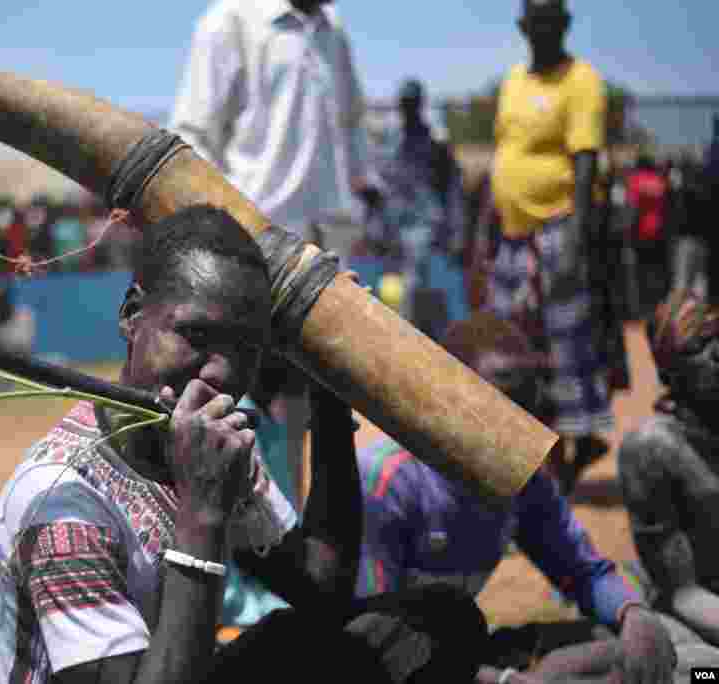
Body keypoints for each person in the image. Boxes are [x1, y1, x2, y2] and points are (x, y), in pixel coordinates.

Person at [0, 204, 488, 684]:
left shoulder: (205, 443)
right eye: (196, 335)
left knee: (434, 622)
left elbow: (322, 587)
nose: (222, 371)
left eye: (245, 348)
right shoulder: (62, 506)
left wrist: (330, 394)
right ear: (133, 314)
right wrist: (203, 512)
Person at [355, 313, 680, 683]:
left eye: (524, 409)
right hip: (387, 663)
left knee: (629, 646)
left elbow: (582, 571)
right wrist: (501, 679)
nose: (514, 427)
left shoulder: (520, 477)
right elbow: (374, 637)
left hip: (461, 653)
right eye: (496, 409)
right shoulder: (387, 483)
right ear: (446, 401)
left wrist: (632, 611)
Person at [170, 0, 376, 509]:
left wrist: (357, 196)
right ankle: (253, 538)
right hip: (252, 246)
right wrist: (225, 237)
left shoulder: (332, 28)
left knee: (313, 397)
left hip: (324, 249)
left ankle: (293, 530)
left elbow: (351, 123)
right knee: (249, 395)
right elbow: (193, 137)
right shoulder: (229, 23)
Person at [486, 0, 614, 495]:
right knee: (512, 344)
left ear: (563, 25)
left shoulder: (581, 81)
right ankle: (538, 451)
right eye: (534, 21)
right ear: (522, 27)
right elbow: (504, 155)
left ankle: (577, 444)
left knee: (563, 347)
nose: (542, 30)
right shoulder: (514, 82)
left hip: (559, 231)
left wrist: (579, 237)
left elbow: (585, 160)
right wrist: (487, 231)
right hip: (512, 235)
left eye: (551, 21)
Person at [618, 291, 719, 670]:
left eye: (717, 335)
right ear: (669, 371)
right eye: (698, 346)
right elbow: (685, 593)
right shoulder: (651, 450)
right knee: (699, 671)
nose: (717, 354)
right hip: (695, 616)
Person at [365, 78, 467, 339]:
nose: (407, 109)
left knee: (416, 291)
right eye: (403, 104)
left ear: (419, 105)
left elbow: (453, 190)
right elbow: (379, 191)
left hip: (425, 232)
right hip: (392, 233)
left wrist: (457, 232)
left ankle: (415, 342)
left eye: (411, 104)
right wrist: (374, 228)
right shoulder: (389, 145)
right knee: (386, 294)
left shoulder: (435, 145)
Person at [624, 154, 671, 319]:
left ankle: (644, 316)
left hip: (640, 236)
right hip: (659, 236)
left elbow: (632, 210)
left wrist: (627, 232)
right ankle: (658, 315)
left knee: (639, 279)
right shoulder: (659, 181)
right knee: (657, 279)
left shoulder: (634, 180)